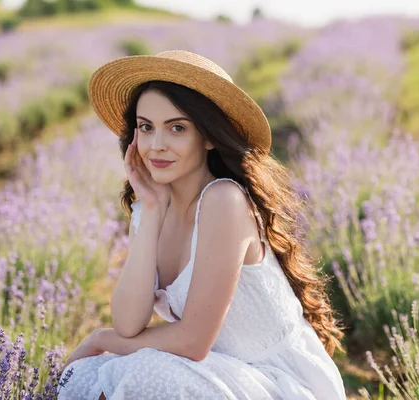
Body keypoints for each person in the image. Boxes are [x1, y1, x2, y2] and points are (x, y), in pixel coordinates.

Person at [57, 50, 346, 399]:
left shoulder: (223, 200)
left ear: (208, 137)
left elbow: (192, 342)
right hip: (216, 370)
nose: (157, 146)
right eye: (146, 127)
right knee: (86, 374)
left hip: (279, 381)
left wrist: (101, 339)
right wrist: (149, 213)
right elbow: (129, 323)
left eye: (177, 128)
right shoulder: (149, 205)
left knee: (137, 371)